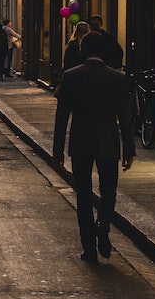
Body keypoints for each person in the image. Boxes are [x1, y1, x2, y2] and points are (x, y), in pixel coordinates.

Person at [52, 32, 137, 262]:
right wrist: (129, 149)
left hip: (80, 143)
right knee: (109, 191)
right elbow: (125, 118)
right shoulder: (117, 78)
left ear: (84, 50)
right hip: (109, 143)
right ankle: (103, 228)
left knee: (84, 196)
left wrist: (57, 148)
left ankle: (89, 248)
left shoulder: (71, 76)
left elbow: (62, 116)